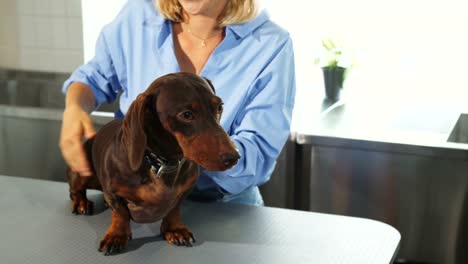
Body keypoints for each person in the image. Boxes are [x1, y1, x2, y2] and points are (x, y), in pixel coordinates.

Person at [59, 0, 296, 206]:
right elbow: (93, 78)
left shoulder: (271, 44)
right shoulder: (138, 15)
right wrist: (75, 107)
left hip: (221, 204)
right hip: (136, 196)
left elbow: (258, 152)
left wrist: (186, 154)